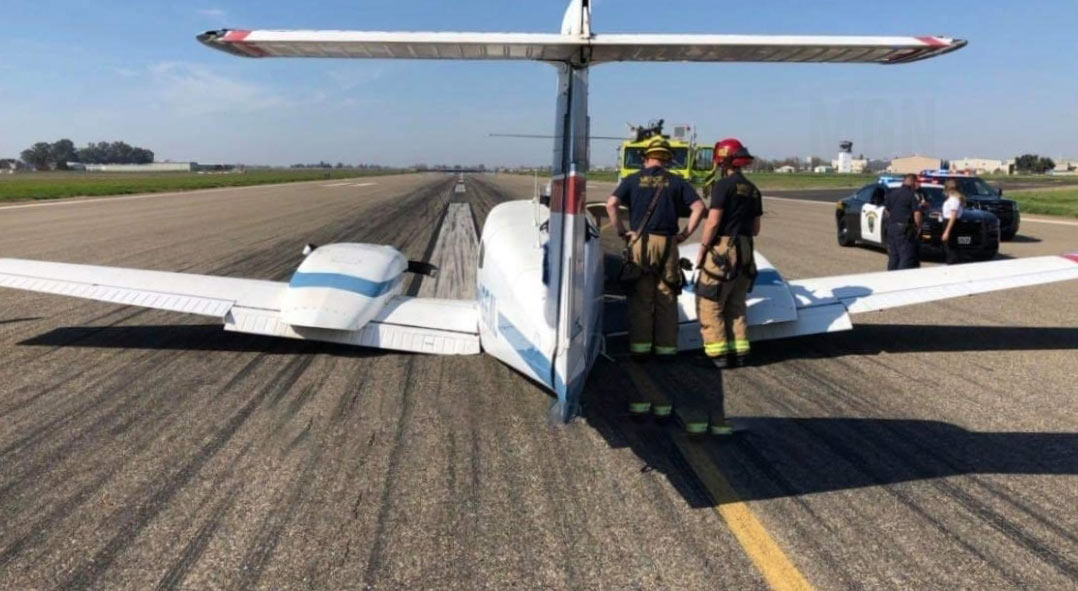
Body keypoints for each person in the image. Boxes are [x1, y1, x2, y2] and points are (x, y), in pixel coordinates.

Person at [694, 138, 761, 435]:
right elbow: (756, 227)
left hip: (723, 249)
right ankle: (740, 351)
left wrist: (702, 250)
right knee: (736, 303)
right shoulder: (754, 189)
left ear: (722, 160)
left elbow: (713, 221)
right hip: (747, 249)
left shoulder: (723, 187)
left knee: (710, 300)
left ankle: (717, 353)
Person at [884, 174, 924, 270]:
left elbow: (887, 210)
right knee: (906, 256)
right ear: (913, 182)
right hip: (904, 229)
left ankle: (891, 278)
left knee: (893, 256)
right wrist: (918, 227)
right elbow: (917, 213)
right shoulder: (912, 195)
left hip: (891, 227)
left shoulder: (892, 193)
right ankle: (902, 280)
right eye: (916, 182)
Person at [940, 179, 966, 265]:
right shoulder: (952, 199)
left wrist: (947, 232)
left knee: (951, 248)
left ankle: (952, 265)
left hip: (951, 223)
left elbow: (953, 215)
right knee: (949, 247)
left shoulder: (954, 199)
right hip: (948, 221)